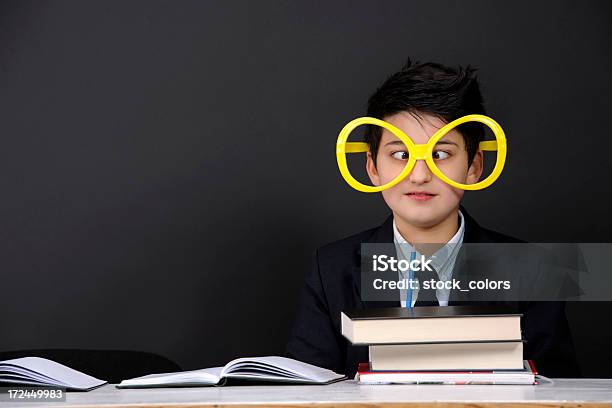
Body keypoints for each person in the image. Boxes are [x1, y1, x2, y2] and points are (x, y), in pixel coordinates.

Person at [286, 59, 579, 378]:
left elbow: (558, 391)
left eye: (440, 154)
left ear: (475, 166)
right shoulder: (332, 270)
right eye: (400, 155)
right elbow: (306, 389)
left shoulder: (533, 271)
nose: (420, 174)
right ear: (372, 168)